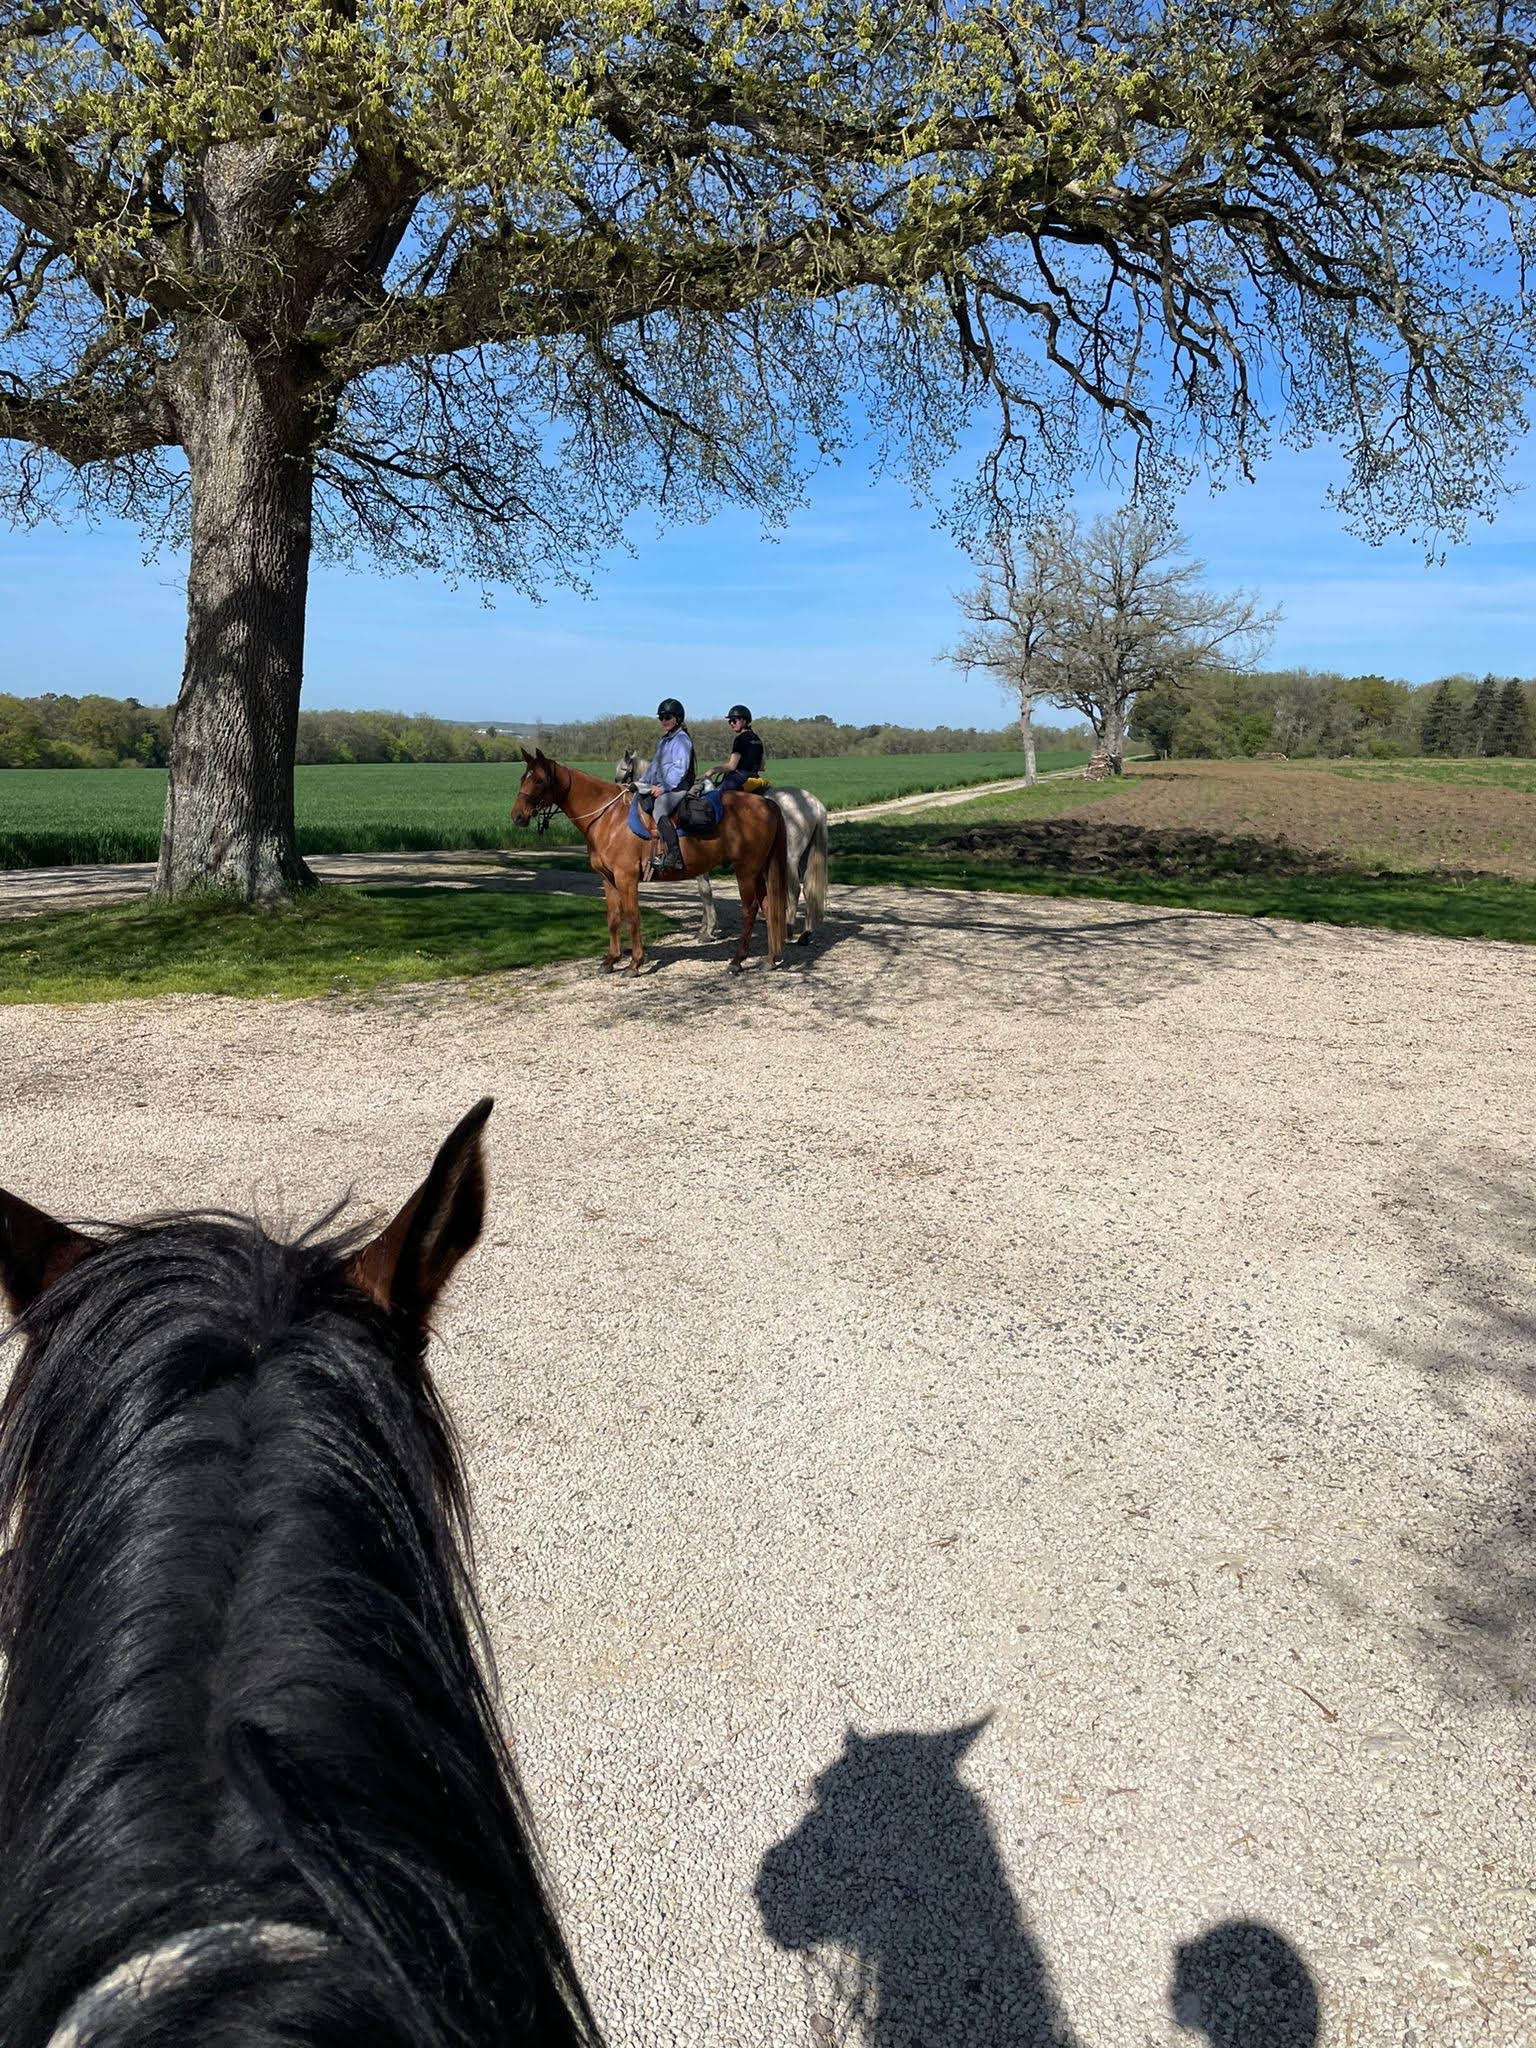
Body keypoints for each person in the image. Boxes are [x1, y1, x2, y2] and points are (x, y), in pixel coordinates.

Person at [642, 698, 695, 874]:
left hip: (677, 787)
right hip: (660, 785)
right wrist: (641, 783)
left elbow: (679, 770)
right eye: (661, 717)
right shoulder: (664, 741)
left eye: (667, 717)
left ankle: (674, 856)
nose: (664, 721)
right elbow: (653, 767)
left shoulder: (681, 740)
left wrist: (662, 788)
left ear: (678, 718)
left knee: (659, 810)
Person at [717, 704, 765, 791]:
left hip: (738, 780)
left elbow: (732, 766)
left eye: (734, 721)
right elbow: (762, 766)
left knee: (714, 797)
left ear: (744, 721)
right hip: (755, 778)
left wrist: (712, 771)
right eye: (730, 721)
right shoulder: (757, 738)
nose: (731, 723)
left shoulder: (740, 739)